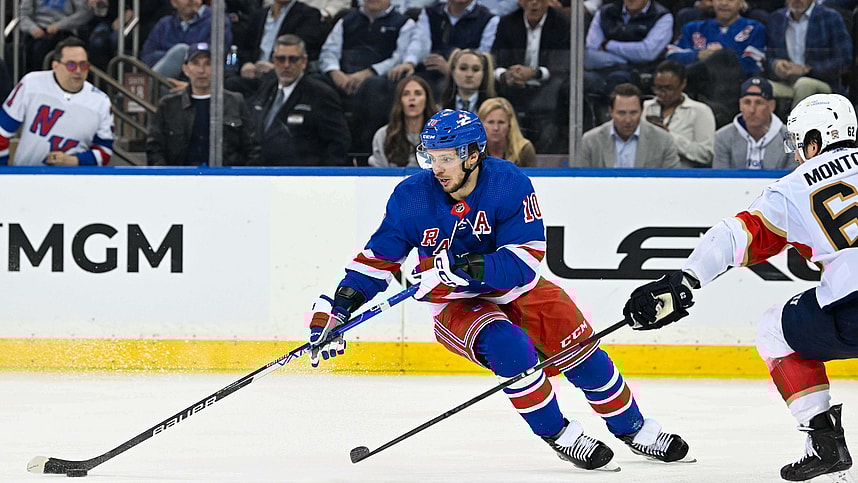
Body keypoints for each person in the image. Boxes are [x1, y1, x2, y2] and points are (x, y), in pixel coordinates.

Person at [308, 108, 693, 472]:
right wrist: (339, 308)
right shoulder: (411, 197)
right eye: (431, 157)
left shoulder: (508, 182)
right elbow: (377, 261)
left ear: (473, 155)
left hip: (518, 288)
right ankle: (558, 433)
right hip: (456, 303)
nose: (437, 168)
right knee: (510, 346)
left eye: (447, 158)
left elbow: (524, 259)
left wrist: (464, 267)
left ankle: (634, 429)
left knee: (583, 354)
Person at [622, 93, 857, 482]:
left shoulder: (795, 187)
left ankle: (824, 442)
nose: (798, 154)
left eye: (800, 143)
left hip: (850, 313)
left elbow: (737, 235)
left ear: (815, 141)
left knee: (774, 329)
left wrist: (686, 280)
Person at [318, 0, 424, 162]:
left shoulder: (403, 23)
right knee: (316, 84)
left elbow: (399, 57)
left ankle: (365, 155)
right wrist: (335, 72)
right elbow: (329, 51)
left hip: (381, 79)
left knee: (374, 87)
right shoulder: (346, 20)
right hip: (343, 77)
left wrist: (371, 71)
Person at [0, 37, 113, 166]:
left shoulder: (101, 102)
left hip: (76, 176)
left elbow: (105, 151)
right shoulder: (31, 84)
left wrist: (74, 160)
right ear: (55, 66)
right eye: (71, 65)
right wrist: (3, 171)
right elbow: (2, 132)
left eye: (83, 65)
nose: (78, 71)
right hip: (28, 172)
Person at [146, 43, 261, 166]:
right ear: (186, 69)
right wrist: (167, 174)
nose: (201, 70)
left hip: (225, 176)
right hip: (181, 176)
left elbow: (252, 147)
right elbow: (155, 149)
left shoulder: (235, 102)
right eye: (196, 63)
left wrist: (241, 175)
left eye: (208, 64)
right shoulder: (168, 106)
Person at [249, 34, 350, 166]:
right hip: (261, 171)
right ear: (273, 60)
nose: (286, 65)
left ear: (304, 62)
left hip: (303, 173)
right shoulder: (266, 89)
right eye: (281, 59)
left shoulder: (321, 94)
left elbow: (339, 142)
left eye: (293, 59)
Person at [667, 0, 766, 127]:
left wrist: (718, 56)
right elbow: (672, 57)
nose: (724, 3)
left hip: (732, 89)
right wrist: (698, 55)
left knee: (725, 57)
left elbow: (753, 64)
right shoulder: (692, 28)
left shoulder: (754, 28)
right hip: (695, 87)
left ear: (741, 3)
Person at [492, 0, 571, 153]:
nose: (534, 3)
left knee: (560, 88)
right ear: (520, 2)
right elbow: (496, 61)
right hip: (514, 84)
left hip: (549, 83)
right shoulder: (508, 22)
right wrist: (506, 75)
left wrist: (534, 72)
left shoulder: (562, 23)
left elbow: (563, 66)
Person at [765, 0, 852, 111]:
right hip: (786, 82)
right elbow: (769, 57)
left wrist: (807, 70)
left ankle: (795, 122)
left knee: (804, 84)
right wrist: (776, 65)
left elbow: (844, 60)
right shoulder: (776, 18)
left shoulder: (830, 17)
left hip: (824, 83)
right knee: (759, 87)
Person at [575, 83, 680, 168]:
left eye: (633, 113)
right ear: (611, 111)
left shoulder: (663, 140)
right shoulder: (591, 141)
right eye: (621, 113)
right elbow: (581, 180)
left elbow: (673, 181)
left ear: (642, 110)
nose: (628, 120)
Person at [583, 0, 674, 96]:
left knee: (617, 79)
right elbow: (592, 49)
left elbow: (647, 52)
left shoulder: (662, 16)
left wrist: (608, 45)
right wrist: (624, 61)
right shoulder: (605, 12)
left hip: (641, 72)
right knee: (579, 79)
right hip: (603, 69)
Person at [413, 0, 498, 98]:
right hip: (430, 72)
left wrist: (451, 69)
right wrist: (410, 62)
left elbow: (483, 60)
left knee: (442, 87)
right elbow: (420, 43)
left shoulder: (488, 19)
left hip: (466, 76)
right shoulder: (430, 12)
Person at [642, 60, 716, 168]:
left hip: (683, 174)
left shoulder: (700, 111)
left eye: (669, 88)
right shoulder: (646, 107)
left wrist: (668, 137)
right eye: (658, 88)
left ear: (683, 84)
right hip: (648, 172)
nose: (662, 94)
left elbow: (706, 155)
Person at [141, 0, 233, 83]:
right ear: (173, 2)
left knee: (182, 50)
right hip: (166, 81)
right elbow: (146, 58)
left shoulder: (217, 20)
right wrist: (173, 58)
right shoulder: (164, 24)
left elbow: (214, 58)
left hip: (198, 83)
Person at [713, 76, 793, 169]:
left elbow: (794, 174)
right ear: (740, 105)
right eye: (747, 102)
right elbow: (721, 176)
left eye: (758, 103)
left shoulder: (790, 137)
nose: (752, 110)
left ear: (771, 106)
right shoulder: (723, 137)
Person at [368, 75, 437, 167]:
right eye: (406, 94)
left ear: (427, 100)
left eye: (418, 93)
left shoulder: (440, 134)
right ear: (399, 101)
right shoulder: (383, 135)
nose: (412, 98)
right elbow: (380, 172)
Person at [18, 0, 93, 75]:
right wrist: (32, 28)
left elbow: (84, 13)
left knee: (42, 49)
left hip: (64, 31)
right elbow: (22, 14)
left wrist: (59, 26)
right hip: (36, 30)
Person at [477, 96, 536, 166]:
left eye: (501, 122)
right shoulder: (472, 150)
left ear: (510, 124)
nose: (496, 128)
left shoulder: (524, 149)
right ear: (481, 124)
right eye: (490, 122)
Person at [438, 48, 496, 113]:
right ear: (453, 71)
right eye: (463, 68)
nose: (469, 74)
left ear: (484, 73)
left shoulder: (493, 109)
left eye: (475, 69)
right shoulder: (440, 109)